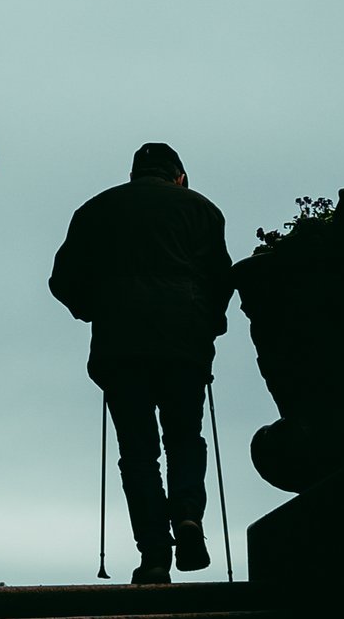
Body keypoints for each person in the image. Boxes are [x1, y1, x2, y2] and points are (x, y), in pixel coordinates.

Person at [49, 143, 234, 586]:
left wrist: (95, 308)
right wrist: (208, 323)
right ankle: (188, 515)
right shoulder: (202, 210)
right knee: (185, 439)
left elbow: (62, 280)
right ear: (180, 176)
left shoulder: (96, 210)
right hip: (183, 345)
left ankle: (154, 554)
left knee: (138, 453)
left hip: (120, 348)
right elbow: (222, 279)